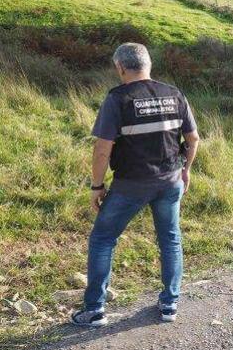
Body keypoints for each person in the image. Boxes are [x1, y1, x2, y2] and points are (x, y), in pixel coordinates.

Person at [71, 43, 200, 327]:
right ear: (148, 64)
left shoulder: (118, 99)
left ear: (120, 68)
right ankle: (170, 304)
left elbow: (102, 149)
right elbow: (193, 140)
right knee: (170, 240)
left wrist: (96, 186)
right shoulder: (175, 94)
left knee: (103, 239)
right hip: (170, 181)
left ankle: (94, 310)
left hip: (130, 185)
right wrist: (186, 170)